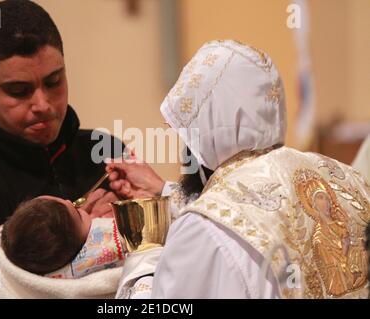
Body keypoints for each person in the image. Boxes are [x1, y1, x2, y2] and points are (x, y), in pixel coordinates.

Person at [107, 40, 370, 298]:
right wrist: (165, 193)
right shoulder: (345, 179)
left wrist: (144, 256)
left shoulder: (200, 230)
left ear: (202, 134)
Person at [0, 0, 121, 299]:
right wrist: (92, 236)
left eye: (54, 82)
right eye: (19, 91)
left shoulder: (107, 151)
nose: (42, 105)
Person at [0, 196, 124, 298]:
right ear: (78, 251)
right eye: (79, 214)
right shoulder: (103, 251)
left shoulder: (10, 250)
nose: (69, 201)